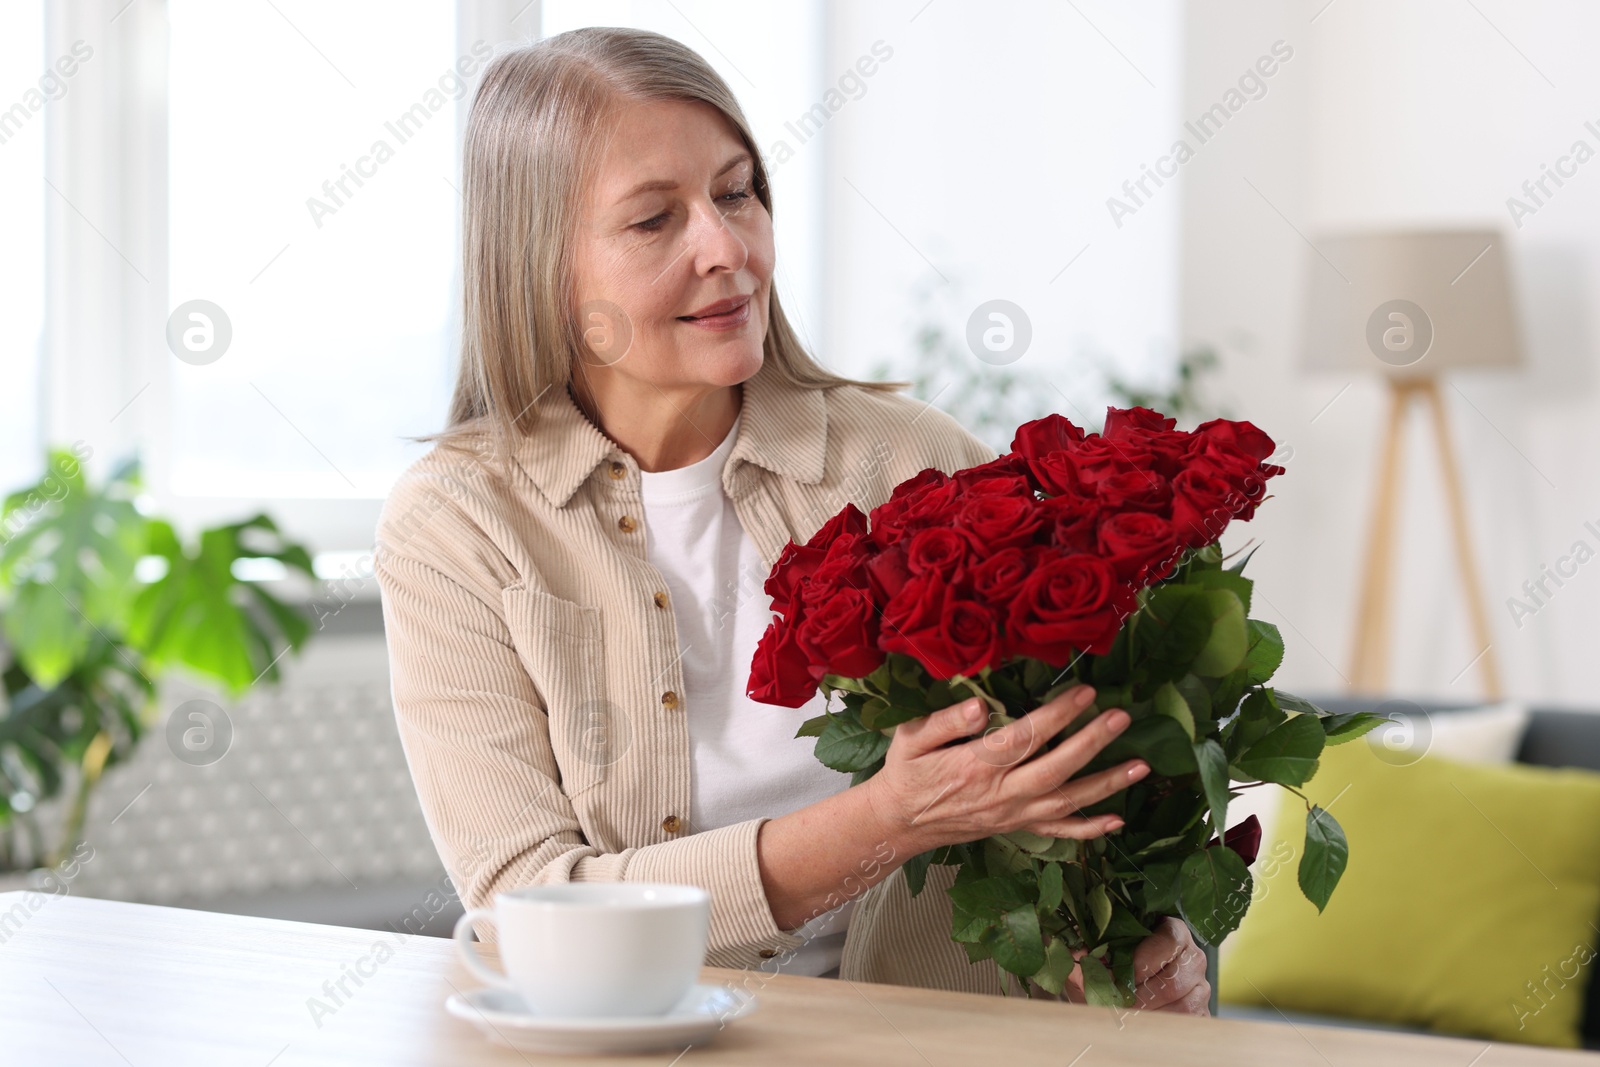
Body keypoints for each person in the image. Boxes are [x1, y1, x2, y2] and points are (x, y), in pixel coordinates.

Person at [374, 26, 1209, 1013]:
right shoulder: (456, 524)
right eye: (653, 220)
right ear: (539, 265)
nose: (726, 248)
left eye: (736, 192)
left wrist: (1152, 943)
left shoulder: (914, 461)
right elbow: (526, 909)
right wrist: (884, 820)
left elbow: (1088, 772)